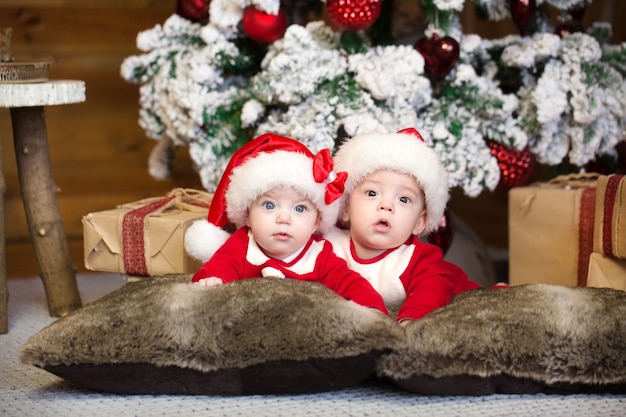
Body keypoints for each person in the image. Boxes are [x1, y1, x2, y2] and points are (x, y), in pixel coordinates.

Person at [184, 133, 388, 315]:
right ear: (247, 215)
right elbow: (219, 266)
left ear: (316, 222)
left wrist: (370, 305)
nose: (283, 218)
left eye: (299, 209)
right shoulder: (244, 244)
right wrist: (211, 279)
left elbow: (349, 281)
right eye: (269, 205)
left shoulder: (318, 254)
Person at [325, 128, 481, 327]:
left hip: (461, 288)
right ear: (346, 208)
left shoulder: (418, 259)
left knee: (492, 298)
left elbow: (432, 290)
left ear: (419, 222)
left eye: (403, 199)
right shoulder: (330, 245)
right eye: (372, 193)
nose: (386, 205)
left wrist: (410, 321)